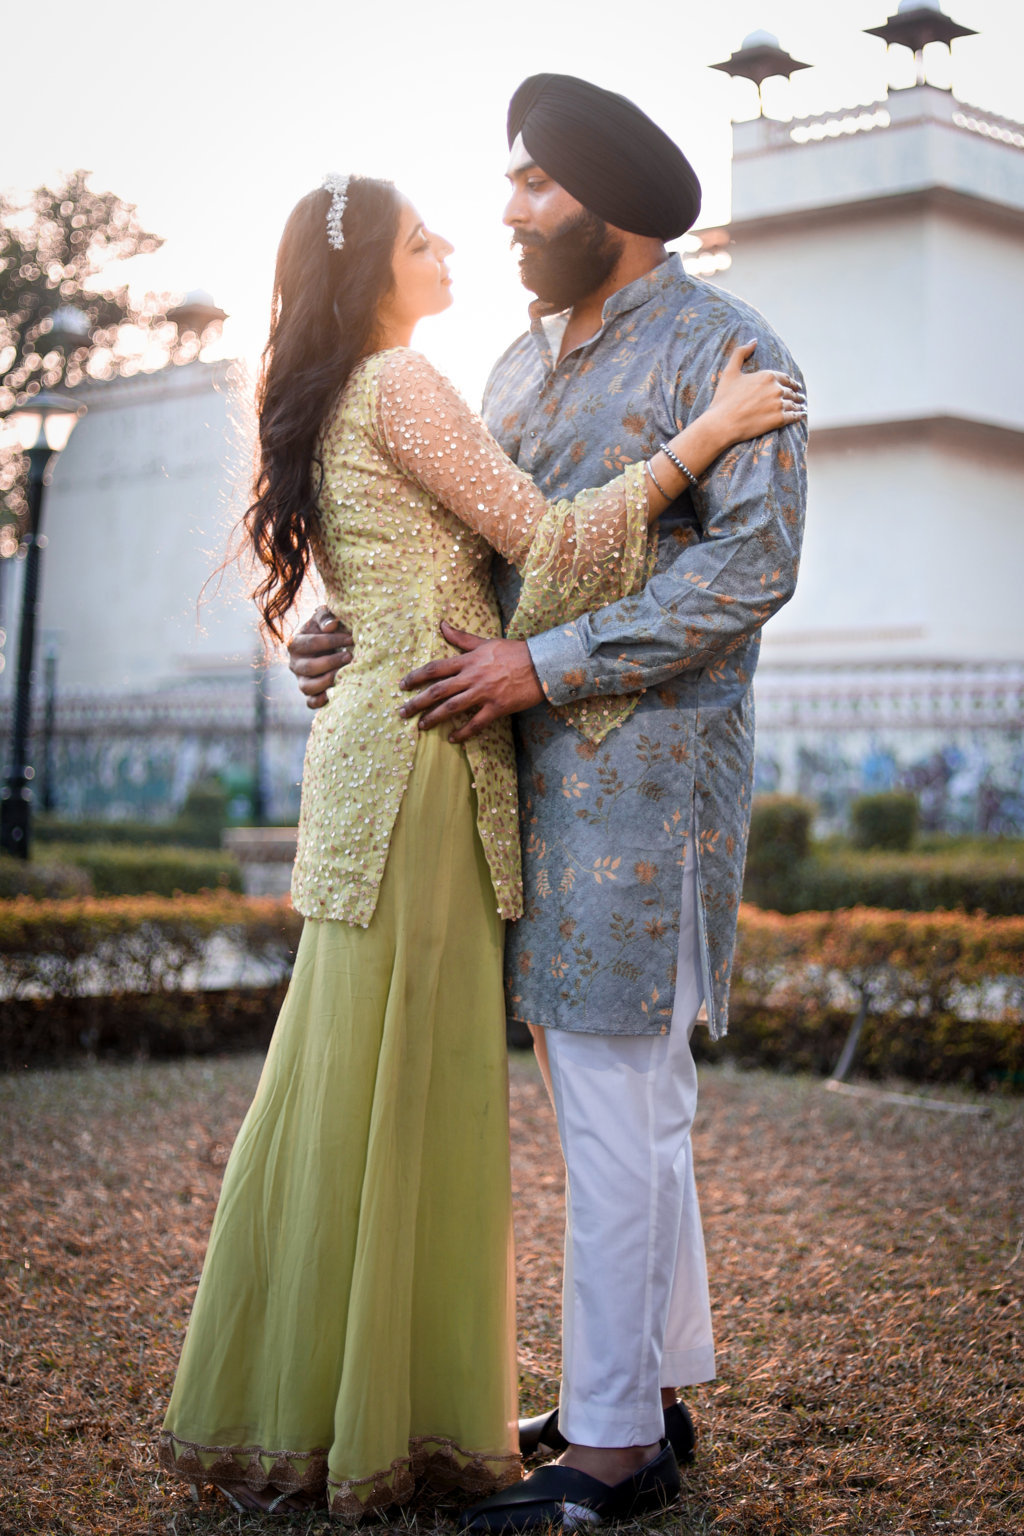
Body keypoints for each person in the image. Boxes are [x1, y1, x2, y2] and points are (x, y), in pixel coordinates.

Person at [159, 169, 802, 1523]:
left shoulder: (708, 344)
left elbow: (722, 568)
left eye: (524, 189)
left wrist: (391, 636)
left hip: (526, 776)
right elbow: (524, 549)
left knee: (506, 1101)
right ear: (375, 274)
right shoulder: (453, 374)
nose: (478, 229)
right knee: (453, 1098)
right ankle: (520, 1416)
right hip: (449, 765)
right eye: (429, 232)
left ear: (610, 200)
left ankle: (604, 1418)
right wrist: (702, 440)